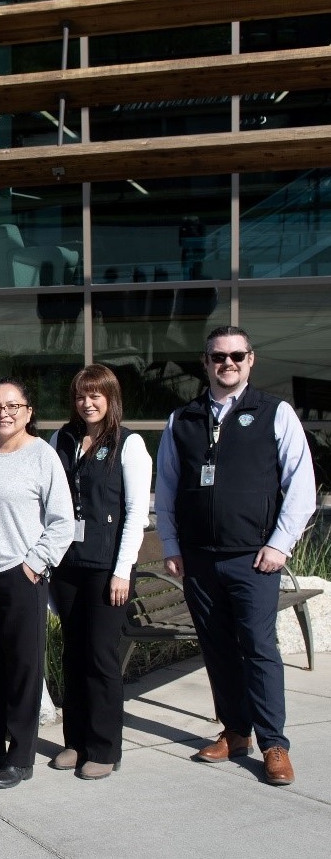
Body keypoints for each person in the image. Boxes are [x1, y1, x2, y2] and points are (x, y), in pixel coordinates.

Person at [155, 326, 317, 785]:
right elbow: (166, 489)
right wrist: (170, 545)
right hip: (199, 559)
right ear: (205, 363)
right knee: (218, 649)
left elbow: (301, 486)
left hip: (255, 559)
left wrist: (280, 543)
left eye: (236, 356)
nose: (228, 364)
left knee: (259, 649)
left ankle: (274, 744)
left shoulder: (274, 412)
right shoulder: (182, 419)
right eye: (218, 357)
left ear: (251, 360)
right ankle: (235, 732)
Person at [0, 378, 74, 789]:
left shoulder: (42, 456)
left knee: (23, 668)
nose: (2, 413)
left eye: (12, 405)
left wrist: (35, 564)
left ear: (28, 411)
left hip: (20, 577)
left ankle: (20, 755)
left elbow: (62, 522)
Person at [49, 365, 151, 780]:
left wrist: (122, 570)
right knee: (73, 653)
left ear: (110, 398)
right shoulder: (62, 439)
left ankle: (105, 747)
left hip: (107, 568)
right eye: (79, 396)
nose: (87, 403)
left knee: (101, 656)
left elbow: (136, 514)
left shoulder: (130, 444)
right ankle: (76, 741)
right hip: (66, 565)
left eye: (95, 395)